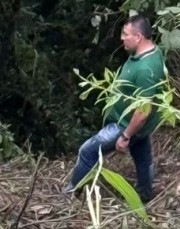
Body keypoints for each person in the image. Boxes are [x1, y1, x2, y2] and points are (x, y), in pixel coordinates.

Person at [66, 14, 167, 202]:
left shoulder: (146, 69)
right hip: (134, 124)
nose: (122, 38)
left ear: (138, 37)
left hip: (125, 124)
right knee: (142, 157)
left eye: (125, 34)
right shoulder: (150, 53)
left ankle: (72, 192)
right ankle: (144, 194)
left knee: (87, 152)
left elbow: (143, 111)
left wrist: (126, 136)